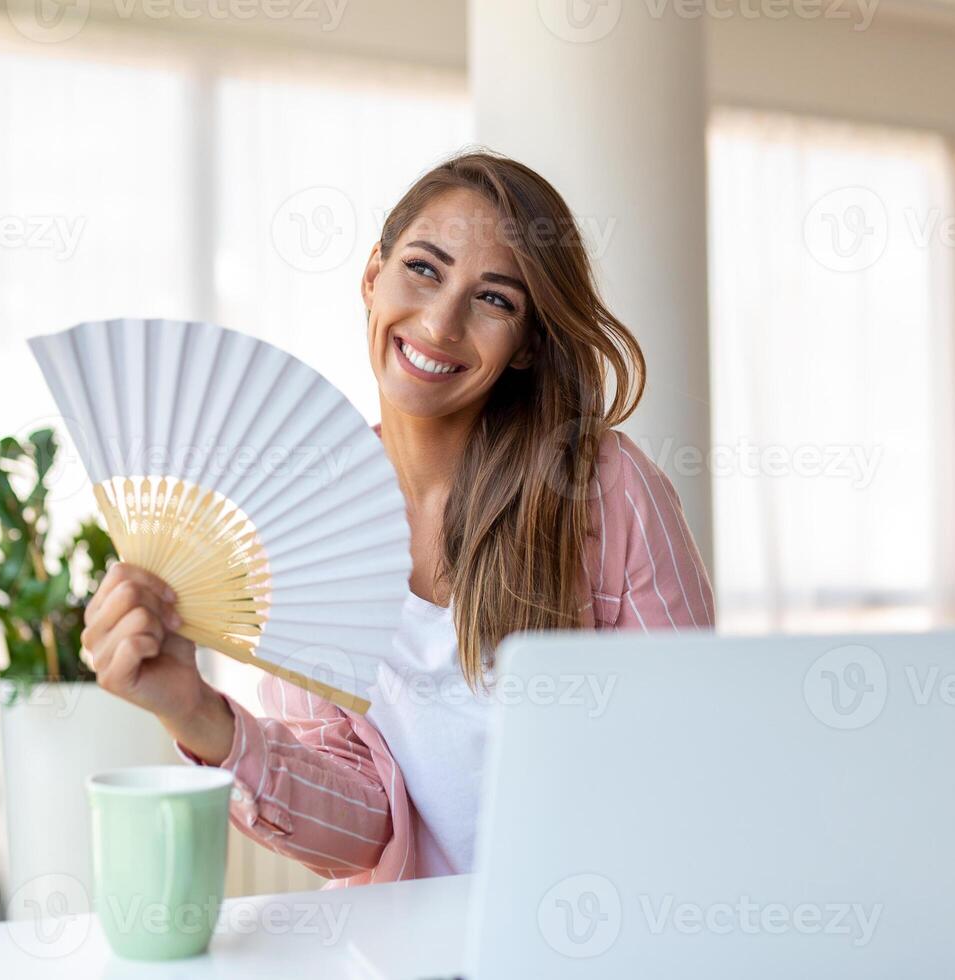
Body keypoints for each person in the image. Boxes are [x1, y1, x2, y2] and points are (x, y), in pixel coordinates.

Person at [79, 149, 714, 887]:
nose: (441, 322)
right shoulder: (306, 533)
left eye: (495, 300)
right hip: (406, 948)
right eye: (423, 268)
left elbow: (690, 751)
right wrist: (194, 711)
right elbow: (363, 828)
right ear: (372, 276)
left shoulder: (607, 489)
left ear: (527, 346)